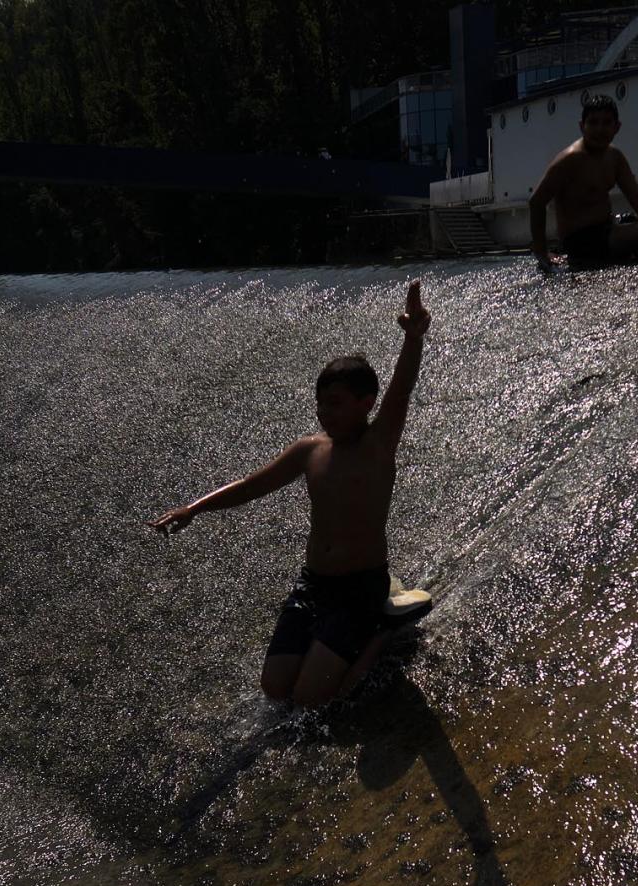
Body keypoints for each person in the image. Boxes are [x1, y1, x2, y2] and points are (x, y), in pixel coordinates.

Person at [149, 282, 432, 707]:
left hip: (360, 588)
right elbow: (251, 485)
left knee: (315, 698)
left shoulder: (378, 444)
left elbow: (403, 386)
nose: (324, 412)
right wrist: (195, 508)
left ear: (366, 402)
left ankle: (382, 632)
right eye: (320, 404)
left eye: (335, 403)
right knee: (276, 689)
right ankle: (350, 639)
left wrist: (413, 338)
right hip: (314, 585)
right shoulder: (309, 451)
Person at [530, 94, 638, 273]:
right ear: (581, 126)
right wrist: (542, 253)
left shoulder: (614, 157)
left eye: (606, 123)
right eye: (593, 122)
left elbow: (637, 198)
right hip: (580, 239)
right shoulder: (570, 160)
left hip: (609, 226)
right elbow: (536, 201)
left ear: (617, 127)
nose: (599, 129)